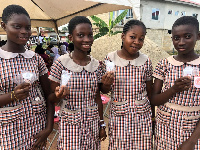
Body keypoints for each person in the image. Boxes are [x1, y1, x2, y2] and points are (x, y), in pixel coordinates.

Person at [0, 4, 66, 149]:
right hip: (8, 133)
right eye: (17, 26)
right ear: (4, 26)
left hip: (37, 130)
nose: (24, 32)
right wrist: (12, 95)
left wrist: (48, 128)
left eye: (28, 28)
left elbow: (49, 96)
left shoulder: (35, 59)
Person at [49, 16, 114, 149]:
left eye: (90, 35)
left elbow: (97, 97)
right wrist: (59, 95)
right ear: (70, 38)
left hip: (91, 123)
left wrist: (101, 124)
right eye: (81, 35)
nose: (87, 39)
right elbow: (50, 98)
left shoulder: (97, 65)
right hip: (70, 125)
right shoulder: (61, 64)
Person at [152, 16, 200, 150]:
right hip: (165, 130)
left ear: (198, 36)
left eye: (188, 36)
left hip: (193, 131)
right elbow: (154, 100)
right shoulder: (164, 64)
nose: (181, 42)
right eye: (176, 38)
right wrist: (174, 89)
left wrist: (191, 142)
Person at [104, 19, 153, 149]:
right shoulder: (111, 58)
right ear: (122, 36)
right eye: (132, 37)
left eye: (141, 39)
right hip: (120, 116)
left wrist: (152, 118)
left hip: (142, 116)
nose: (137, 42)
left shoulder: (145, 61)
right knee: (118, 145)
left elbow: (150, 91)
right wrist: (107, 84)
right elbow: (103, 89)